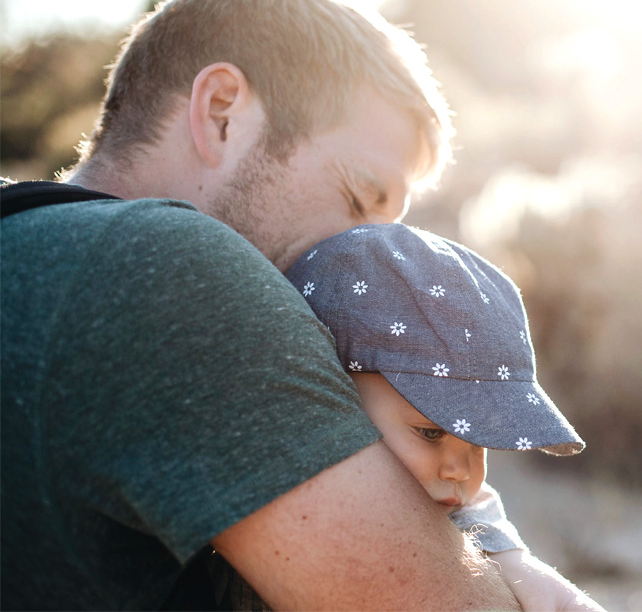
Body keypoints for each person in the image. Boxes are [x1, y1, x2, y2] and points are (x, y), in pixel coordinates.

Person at [0, 0, 562, 609]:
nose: (374, 262)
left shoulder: (28, 243)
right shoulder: (176, 270)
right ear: (221, 113)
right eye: (357, 200)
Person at [213, 223, 604, 611]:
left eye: (479, 442)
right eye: (431, 432)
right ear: (333, 392)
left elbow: (481, 516)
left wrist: (514, 562)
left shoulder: (448, 502)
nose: (460, 471)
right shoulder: (262, 471)